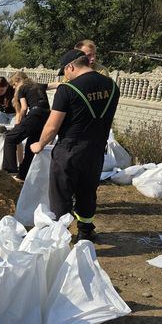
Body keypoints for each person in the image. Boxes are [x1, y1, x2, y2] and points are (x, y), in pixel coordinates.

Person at [30, 49, 120, 241]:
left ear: (71, 66)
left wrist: (39, 144)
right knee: (87, 191)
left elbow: (52, 126)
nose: (65, 77)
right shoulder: (112, 86)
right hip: (96, 150)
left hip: (69, 151)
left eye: (65, 72)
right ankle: (86, 232)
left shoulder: (67, 90)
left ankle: (59, 236)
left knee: (61, 194)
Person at [2, 71, 50, 181]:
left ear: (18, 80)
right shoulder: (38, 85)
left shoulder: (22, 88)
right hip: (47, 116)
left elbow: (24, 107)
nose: (14, 87)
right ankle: (23, 176)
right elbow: (54, 85)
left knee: (10, 138)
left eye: (14, 84)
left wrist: (19, 123)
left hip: (35, 115)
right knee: (31, 147)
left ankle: (10, 170)